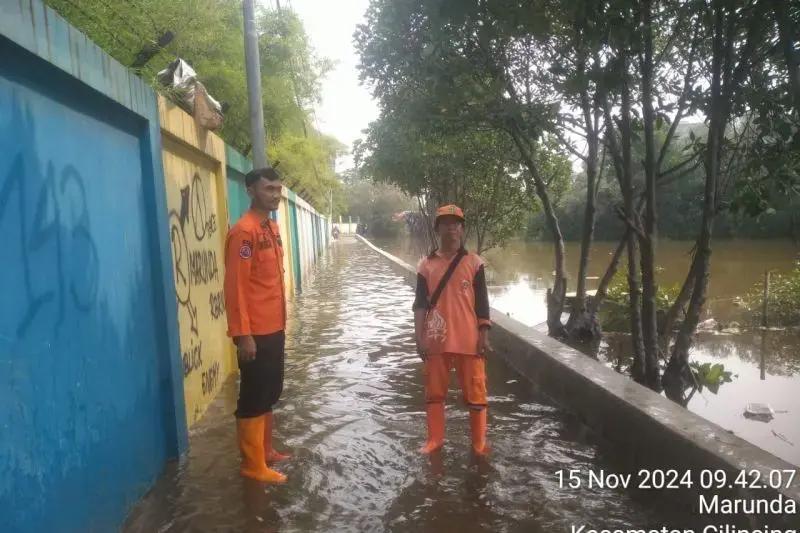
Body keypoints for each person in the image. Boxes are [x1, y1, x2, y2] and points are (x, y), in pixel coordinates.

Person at [224, 167, 291, 484]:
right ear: (251, 190)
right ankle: (252, 465)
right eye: (268, 189)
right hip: (255, 333)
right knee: (253, 395)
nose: (275, 194)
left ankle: (266, 451)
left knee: (271, 389)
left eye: (278, 189)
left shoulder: (271, 228)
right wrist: (243, 335)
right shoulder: (244, 232)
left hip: (274, 325)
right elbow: (235, 287)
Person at [412, 204, 492, 456]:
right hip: (436, 340)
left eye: (456, 223)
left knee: (477, 395)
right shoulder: (425, 265)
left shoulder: (474, 263)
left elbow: (483, 304)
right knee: (434, 393)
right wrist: (419, 337)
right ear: (437, 228)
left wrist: (484, 334)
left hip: (469, 340)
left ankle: (479, 443)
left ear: (462, 228)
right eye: (446, 223)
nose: (452, 227)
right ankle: (435, 440)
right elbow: (420, 304)